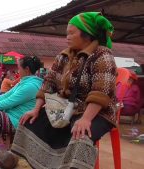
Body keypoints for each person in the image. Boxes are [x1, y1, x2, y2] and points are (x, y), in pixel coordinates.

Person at [11, 12, 117, 169]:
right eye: (66, 33)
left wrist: (86, 119)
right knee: (30, 122)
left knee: (80, 136)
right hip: (67, 107)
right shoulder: (63, 56)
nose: (67, 37)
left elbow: (101, 92)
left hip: (98, 112)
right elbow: (48, 83)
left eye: (71, 33)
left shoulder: (102, 55)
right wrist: (36, 109)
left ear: (87, 35)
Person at [0, 56, 43, 141]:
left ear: (26, 69)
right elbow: (7, 95)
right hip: (10, 114)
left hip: (16, 120)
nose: (18, 71)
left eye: (19, 68)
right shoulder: (24, 81)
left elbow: (9, 102)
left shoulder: (31, 86)